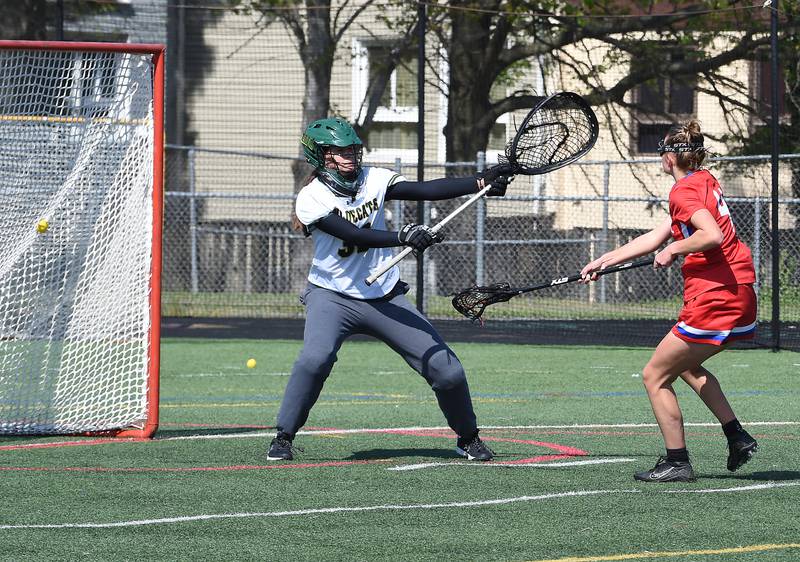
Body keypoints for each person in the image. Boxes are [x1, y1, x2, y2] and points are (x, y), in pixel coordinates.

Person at [267, 117, 514, 462]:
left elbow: (426, 190)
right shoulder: (311, 197)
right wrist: (402, 237)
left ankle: (468, 437)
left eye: (353, 149)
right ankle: (284, 436)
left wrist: (480, 181)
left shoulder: (375, 179)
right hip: (332, 297)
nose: (350, 156)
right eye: (340, 151)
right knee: (315, 359)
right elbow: (353, 235)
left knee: (447, 369)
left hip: (385, 296)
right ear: (321, 156)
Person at [580, 120, 758, 482]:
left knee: (654, 376)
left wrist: (675, 248)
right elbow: (658, 234)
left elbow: (710, 235)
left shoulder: (682, 192)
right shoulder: (702, 180)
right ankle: (737, 436)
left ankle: (677, 461)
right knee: (687, 367)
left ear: (669, 157)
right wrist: (604, 260)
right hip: (738, 290)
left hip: (716, 296)